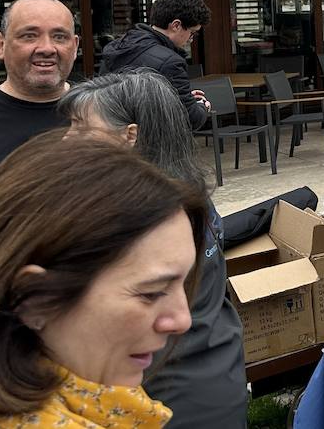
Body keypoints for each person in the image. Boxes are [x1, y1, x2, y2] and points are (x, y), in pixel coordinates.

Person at [0, 135, 205, 428]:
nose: (183, 320)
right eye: (152, 293)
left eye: (184, 281)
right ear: (33, 298)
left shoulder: (90, 401)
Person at [58, 71, 247, 429]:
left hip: (164, 396)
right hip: (213, 373)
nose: (67, 139)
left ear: (129, 135)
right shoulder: (188, 197)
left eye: (80, 128)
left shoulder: (138, 219)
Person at [0, 0, 77, 188]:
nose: (47, 48)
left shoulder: (104, 112)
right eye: (29, 36)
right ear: (0, 45)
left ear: (75, 46)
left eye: (59, 36)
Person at [98, 0, 211, 130]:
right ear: (176, 25)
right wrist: (201, 107)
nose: (191, 39)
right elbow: (189, 118)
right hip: (150, 144)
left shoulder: (118, 47)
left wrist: (183, 98)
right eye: (192, 33)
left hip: (112, 136)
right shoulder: (171, 63)